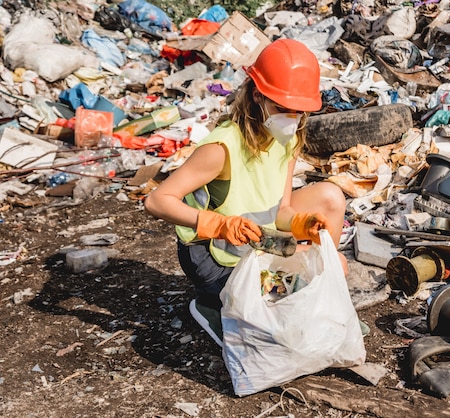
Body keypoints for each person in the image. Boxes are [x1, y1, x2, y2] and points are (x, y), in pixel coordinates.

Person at [144, 38, 348, 347]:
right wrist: (218, 225)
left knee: (334, 253)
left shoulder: (288, 140)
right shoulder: (222, 147)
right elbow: (156, 200)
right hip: (212, 258)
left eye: (299, 111)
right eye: (284, 108)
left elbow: (280, 209)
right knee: (291, 295)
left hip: (256, 242)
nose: (292, 119)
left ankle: (260, 302)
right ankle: (213, 306)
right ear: (257, 95)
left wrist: (299, 224)